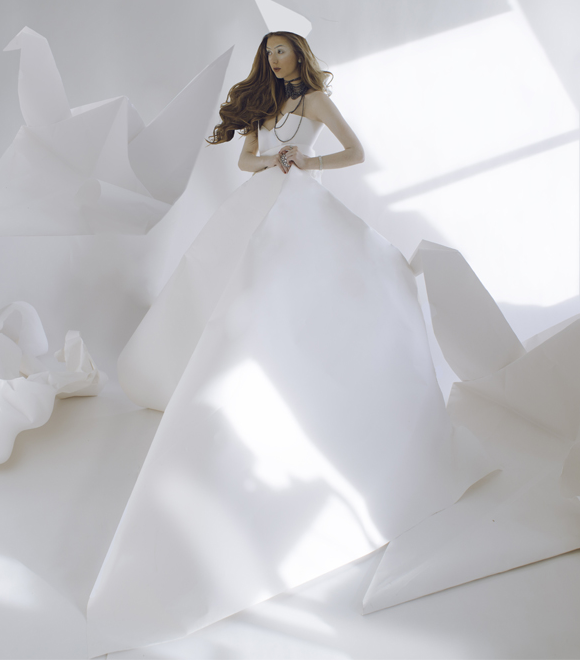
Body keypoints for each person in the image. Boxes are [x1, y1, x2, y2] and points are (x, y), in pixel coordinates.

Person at [87, 32, 488, 655]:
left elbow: (355, 152)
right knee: (223, 288)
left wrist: (307, 163)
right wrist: (272, 160)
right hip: (260, 200)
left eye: (283, 51)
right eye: (268, 52)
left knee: (289, 296)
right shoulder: (264, 106)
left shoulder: (316, 103)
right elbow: (245, 161)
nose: (275, 60)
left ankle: (294, 389)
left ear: (300, 54)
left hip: (301, 204)